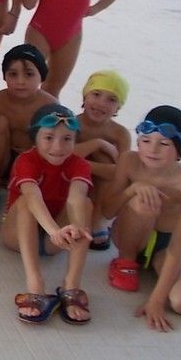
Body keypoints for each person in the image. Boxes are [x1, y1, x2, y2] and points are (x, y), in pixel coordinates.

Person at [103, 105, 181, 332]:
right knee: (144, 201)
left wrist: (156, 300)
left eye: (164, 144)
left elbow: (177, 245)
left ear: (180, 151)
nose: (152, 149)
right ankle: (126, 261)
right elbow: (107, 211)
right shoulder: (128, 161)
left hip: (166, 247)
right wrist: (132, 189)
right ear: (138, 142)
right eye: (146, 141)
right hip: (128, 235)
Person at [1, 104, 93, 324]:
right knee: (26, 202)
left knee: (86, 204)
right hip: (18, 236)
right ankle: (36, 286)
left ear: (75, 140)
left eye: (67, 139)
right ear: (35, 138)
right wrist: (53, 231)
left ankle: (71, 285)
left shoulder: (80, 164)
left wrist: (75, 227)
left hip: (57, 240)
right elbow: (32, 196)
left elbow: (76, 198)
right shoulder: (26, 160)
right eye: (49, 137)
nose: (58, 147)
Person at [0, 44, 57, 209]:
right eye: (13, 74)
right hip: (2, 162)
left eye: (29, 74)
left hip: (33, 165)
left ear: (41, 77)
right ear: (4, 76)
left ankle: (28, 185)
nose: (20, 81)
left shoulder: (50, 105)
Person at [74, 70, 131, 250]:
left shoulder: (121, 134)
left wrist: (85, 165)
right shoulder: (71, 124)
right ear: (85, 96)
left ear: (118, 108)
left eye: (111, 99)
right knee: (103, 158)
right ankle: (77, 216)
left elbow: (123, 174)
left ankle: (97, 220)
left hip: (102, 189)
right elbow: (61, 157)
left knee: (109, 162)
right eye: (96, 94)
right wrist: (97, 143)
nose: (101, 103)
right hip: (73, 185)